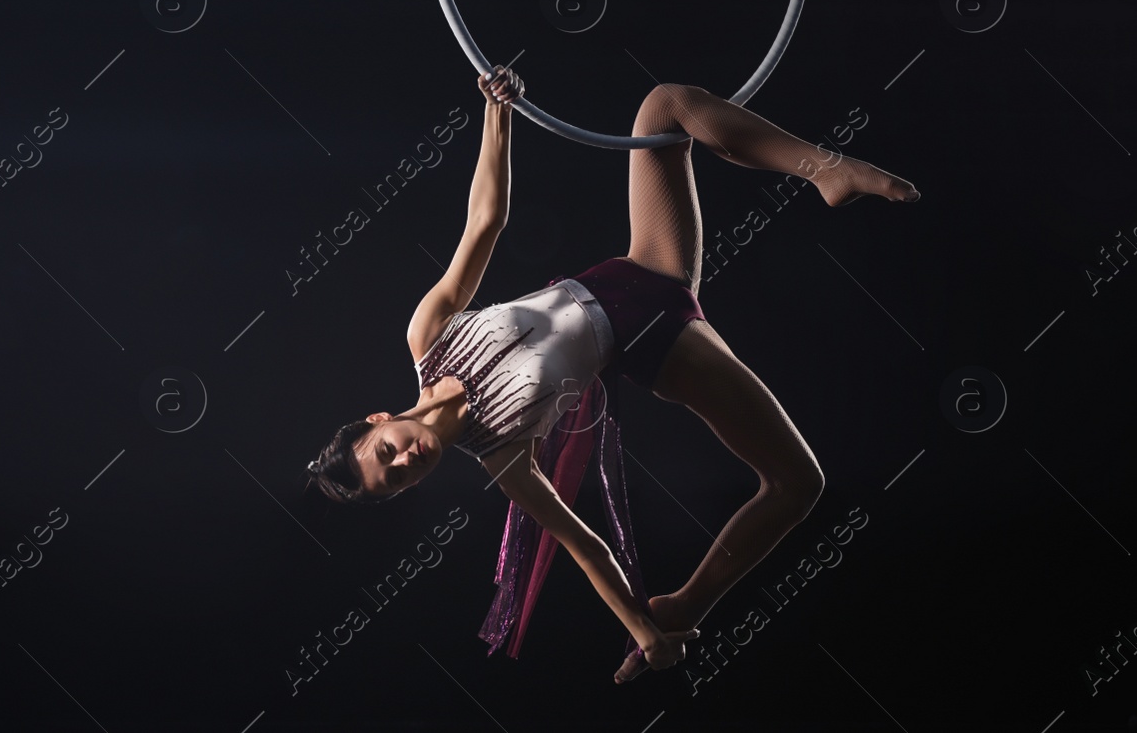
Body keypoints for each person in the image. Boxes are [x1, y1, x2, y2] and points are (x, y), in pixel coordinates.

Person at [304, 66, 918, 677]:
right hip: (659, 342)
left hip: (639, 268)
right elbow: (586, 547)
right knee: (798, 483)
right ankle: (687, 602)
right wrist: (646, 631)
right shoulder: (502, 455)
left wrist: (498, 113)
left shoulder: (427, 336)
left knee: (666, 105)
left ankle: (824, 170)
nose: (406, 462)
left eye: (385, 453)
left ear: (379, 420)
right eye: (399, 480)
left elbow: (484, 223)